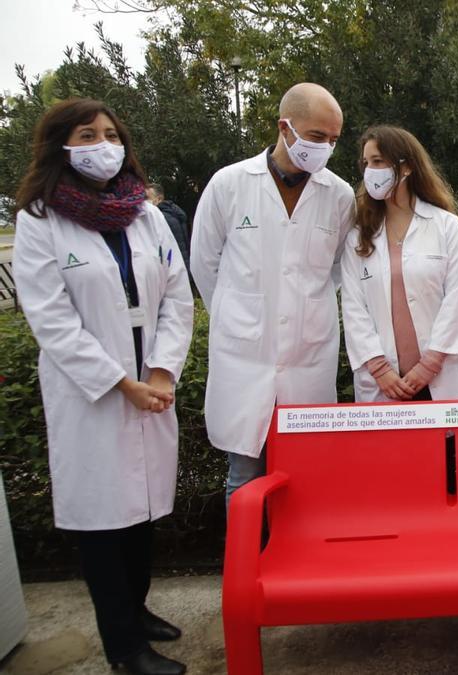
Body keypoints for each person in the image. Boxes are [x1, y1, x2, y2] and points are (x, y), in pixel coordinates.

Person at [12, 98, 194, 675]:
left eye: (110, 134)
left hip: (150, 376)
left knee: (141, 510)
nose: (102, 145)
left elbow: (177, 297)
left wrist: (161, 371)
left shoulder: (144, 215)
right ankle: (123, 648)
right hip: (90, 389)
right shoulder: (40, 219)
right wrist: (123, 384)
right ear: (61, 146)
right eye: (87, 135)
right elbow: (51, 320)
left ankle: (136, 611)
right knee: (101, 519)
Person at [191, 83, 356, 506]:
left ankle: (295, 569)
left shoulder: (338, 195)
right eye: (317, 137)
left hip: (308, 355)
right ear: (285, 127)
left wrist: (301, 308)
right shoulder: (229, 185)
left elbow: (339, 268)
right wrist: (238, 312)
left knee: (304, 477)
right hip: (245, 355)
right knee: (243, 477)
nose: (325, 148)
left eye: (333, 140)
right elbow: (204, 264)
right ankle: (246, 570)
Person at [340, 125, 458, 402]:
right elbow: (354, 308)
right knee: (387, 447)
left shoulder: (445, 226)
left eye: (378, 161)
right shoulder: (358, 235)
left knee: (447, 444)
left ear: (407, 167)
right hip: (383, 385)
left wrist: (429, 365)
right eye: (366, 163)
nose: (370, 171)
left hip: (440, 378)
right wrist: (380, 370)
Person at [145, 183, 189, 269]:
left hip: (173, 268)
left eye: (147, 198)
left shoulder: (161, 218)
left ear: (159, 199)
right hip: (184, 265)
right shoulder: (174, 213)